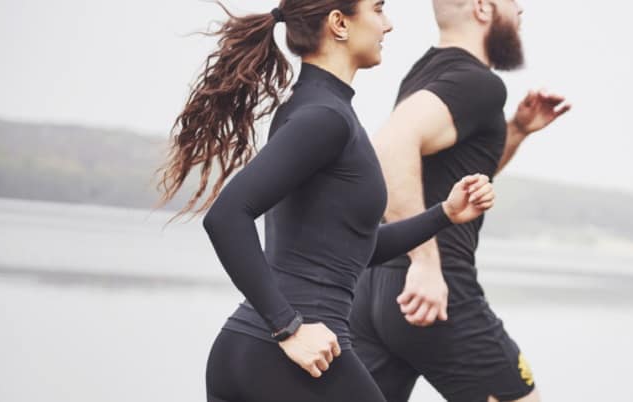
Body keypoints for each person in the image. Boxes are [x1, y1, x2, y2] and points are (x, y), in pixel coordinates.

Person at [155, 1, 497, 401]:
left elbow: (356, 249)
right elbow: (227, 216)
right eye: (378, 9)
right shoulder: (325, 118)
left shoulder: (315, 111)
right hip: (293, 354)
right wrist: (288, 327)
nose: (388, 25)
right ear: (339, 23)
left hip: (258, 353)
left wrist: (444, 214)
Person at [350, 0, 571, 400]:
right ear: (483, 9)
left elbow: (454, 180)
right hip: (432, 289)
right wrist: (425, 263)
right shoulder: (478, 84)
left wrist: (516, 131)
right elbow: (388, 147)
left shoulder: (429, 70)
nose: (521, 10)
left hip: (378, 292)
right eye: (512, 2)